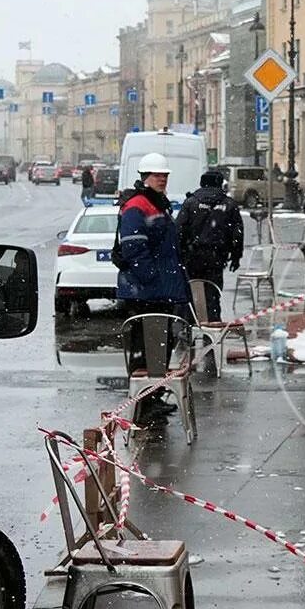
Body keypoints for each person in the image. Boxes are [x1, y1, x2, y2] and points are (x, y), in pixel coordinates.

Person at [116, 153, 191, 423]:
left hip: (158, 290)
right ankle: (143, 405)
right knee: (146, 350)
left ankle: (153, 398)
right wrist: (151, 279)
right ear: (144, 177)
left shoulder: (156, 204)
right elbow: (134, 247)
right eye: (157, 175)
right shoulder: (138, 206)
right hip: (145, 293)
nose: (162, 179)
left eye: (165, 175)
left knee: (160, 348)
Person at [177, 169, 245, 323]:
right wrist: (235, 256)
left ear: (202, 183)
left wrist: (181, 253)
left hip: (192, 257)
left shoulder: (191, 203)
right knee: (213, 294)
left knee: (192, 292)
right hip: (216, 258)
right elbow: (237, 233)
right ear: (220, 184)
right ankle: (212, 329)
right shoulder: (228, 205)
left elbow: (179, 230)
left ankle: (191, 328)